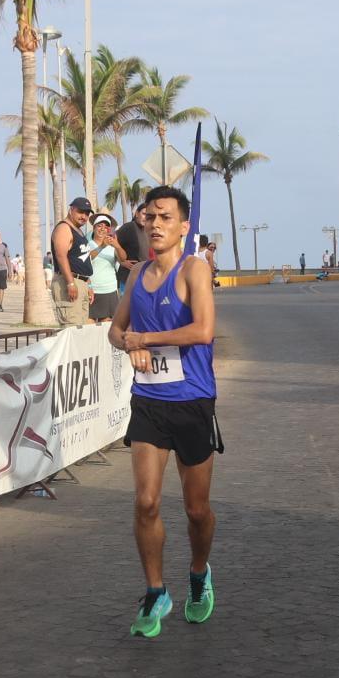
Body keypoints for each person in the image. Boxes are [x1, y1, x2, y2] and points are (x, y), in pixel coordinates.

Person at [108, 185, 222, 639]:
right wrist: (128, 345)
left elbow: (203, 331)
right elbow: (115, 332)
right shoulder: (137, 277)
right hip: (150, 402)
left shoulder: (195, 269)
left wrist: (145, 341)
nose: (155, 224)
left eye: (165, 217)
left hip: (193, 401)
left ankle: (199, 574)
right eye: (149, 217)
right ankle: (156, 592)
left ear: (183, 226)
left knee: (196, 510)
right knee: (146, 501)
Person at [51, 197, 95, 326]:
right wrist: (70, 283)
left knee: (81, 329)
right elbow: (61, 256)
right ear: (71, 210)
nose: (84, 216)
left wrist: (88, 285)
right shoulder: (64, 228)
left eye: (87, 214)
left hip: (81, 283)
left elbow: (83, 259)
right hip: (68, 281)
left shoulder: (78, 230)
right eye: (81, 212)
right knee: (71, 329)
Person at [87, 212, 126, 323]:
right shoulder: (88, 244)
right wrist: (102, 246)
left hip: (110, 290)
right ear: (94, 228)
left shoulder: (112, 245)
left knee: (106, 326)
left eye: (106, 227)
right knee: (89, 325)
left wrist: (117, 245)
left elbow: (123, 259)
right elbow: (88, 259)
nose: (102, 229)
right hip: (93, 291)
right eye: (99, 226)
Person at [116, 203, 151, 295]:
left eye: (148, 215)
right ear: (136, 214)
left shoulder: (148, 231)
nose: (146, 217)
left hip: (144, 279)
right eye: (144, 214)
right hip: (127, 279)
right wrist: (121, 262)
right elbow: (111, 243)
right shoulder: (129, 227)